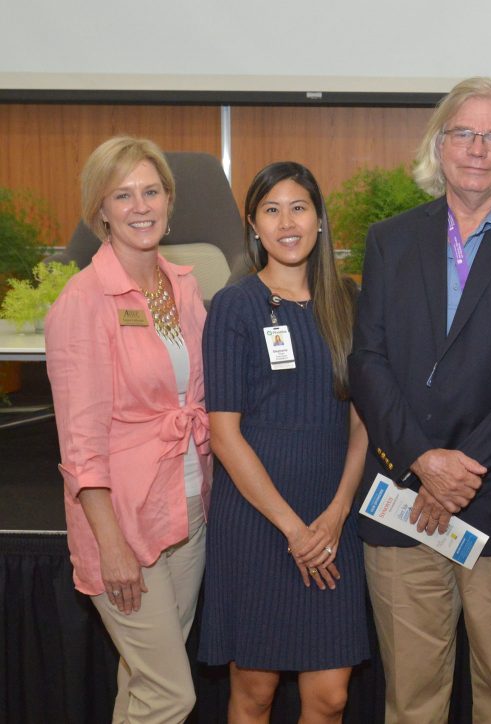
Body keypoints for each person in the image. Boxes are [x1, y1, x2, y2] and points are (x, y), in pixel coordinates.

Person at [349, 76, 491, 723]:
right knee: (412, 698)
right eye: (464, 133)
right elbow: (368, 361)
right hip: (402, 502)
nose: (478, 148)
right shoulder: (391, 241)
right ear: (439, 145)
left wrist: (457, 472)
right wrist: (423, 459)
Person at [45, 135, 210, 723]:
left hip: (189, 509)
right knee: (171, 693)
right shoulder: (83, 302)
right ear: (101, 212)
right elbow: (80, 446)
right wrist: (109, 545)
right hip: (123, 525)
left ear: (169, 199)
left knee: (142, 682)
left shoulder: (184, 287)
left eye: (151, 191)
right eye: (123, 195)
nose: (141, 206)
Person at [198, 162, 369, 723]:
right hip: (257, 524)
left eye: (299, 207)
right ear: (253, 224)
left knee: (331, 698)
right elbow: (224, 435)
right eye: (271, 210)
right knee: (255, 694)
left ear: (319, 219)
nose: (287, 222)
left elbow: (362, 423)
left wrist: (337, 516)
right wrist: (294, 531)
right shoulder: (234, 306)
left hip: (332, 521)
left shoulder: (349, 302)